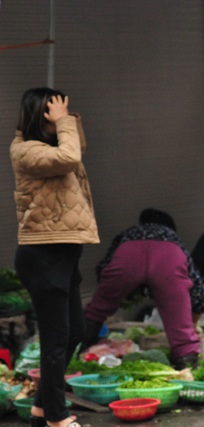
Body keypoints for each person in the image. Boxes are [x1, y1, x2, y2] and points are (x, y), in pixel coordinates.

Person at [10, 88, 100, 427]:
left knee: (75, 331)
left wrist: (66, 120)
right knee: (56, 339)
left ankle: (39, 407)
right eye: (55, 112)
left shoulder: (54, 146)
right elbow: (69, 158)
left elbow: (77, 149)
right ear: (40, 115)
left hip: (64, 254)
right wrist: (62, 123)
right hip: (41, 256)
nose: (62, 117)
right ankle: (57, 417)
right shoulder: (24, 151)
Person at [82, 208, 204, 369]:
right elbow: (197, 290)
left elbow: (103, 269)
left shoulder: (129, 234)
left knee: (96, 310)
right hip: (167, 258)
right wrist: (193, 323)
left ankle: (79, 356)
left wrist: (121, 292)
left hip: (128, 255)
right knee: (182, 334)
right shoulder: (172, 238)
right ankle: (188, 375)